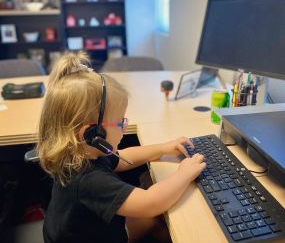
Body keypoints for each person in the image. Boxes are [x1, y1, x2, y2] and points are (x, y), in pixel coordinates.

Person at [37, 52, 206, 243]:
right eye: (120, 122)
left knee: (155, 224)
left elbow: (124, 157)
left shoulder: (83, 153)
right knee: (161, 221)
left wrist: (164, 147)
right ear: (92, 133)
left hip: (91, 229)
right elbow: (150, 203)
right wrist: (184, 173)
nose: (125, 127)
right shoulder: (89, 181)